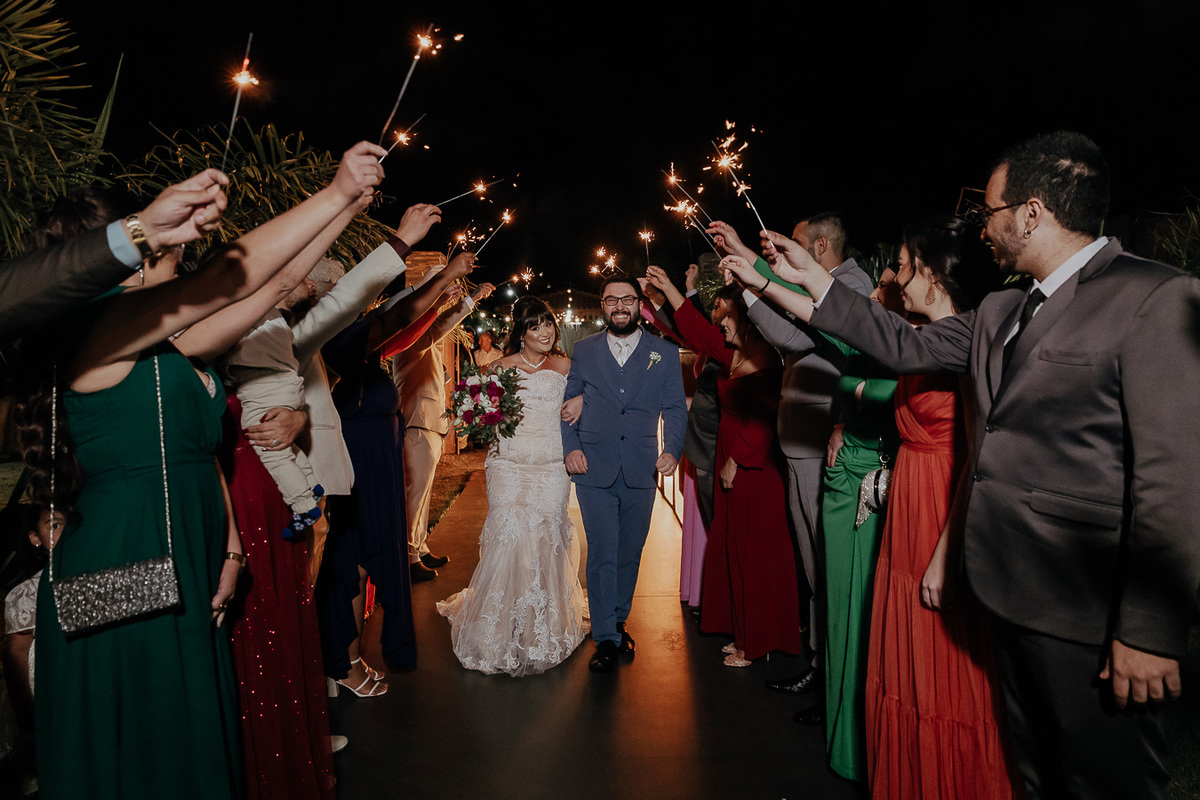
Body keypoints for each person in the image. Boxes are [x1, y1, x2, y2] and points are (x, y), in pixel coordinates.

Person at [757, 130, 1200, 798]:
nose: (980, 230)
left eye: (989, 213)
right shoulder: (1001, 310)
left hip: (1088, 613)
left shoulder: (1156, 297)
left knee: (1107, 783)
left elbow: (1176, 477)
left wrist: (1149, 630)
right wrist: (804, 276)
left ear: (1031, 213)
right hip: (1005, 596)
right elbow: (894, 343)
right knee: (1037, 775)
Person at [14, 141, 385, 799]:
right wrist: (331, 194)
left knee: (186, 747)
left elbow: (265, 287)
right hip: (123, 573)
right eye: (158, 241)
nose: (178, 247)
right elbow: (223, 281)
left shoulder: (167, 343)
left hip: (183, 561)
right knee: (144, 758)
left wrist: (347, 205)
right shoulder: (96, 336)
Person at [708, 215, 872, 701]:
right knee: (813, 564)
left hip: (824, 446)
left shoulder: (851, 285)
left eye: (795, 246)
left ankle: (835, 678)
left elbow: (795, 337)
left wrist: (755, 288)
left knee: (827, 566)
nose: (785, 257)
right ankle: (822, 667)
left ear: (821, 245)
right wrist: (745, 256)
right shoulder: (829, 283)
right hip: (802, 445)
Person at [317, 252, 477, 688]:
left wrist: (449, 297)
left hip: (380, 453)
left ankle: (357, 653)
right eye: (336, 283)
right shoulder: (334, 338)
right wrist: (441, 278)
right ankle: (342, 660)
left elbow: (407, 329)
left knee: (374, 554)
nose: (348, 291)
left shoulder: (357, 339)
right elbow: (393, 320)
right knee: (353, 559)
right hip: (359, 456)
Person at [647, 268, 799, 666]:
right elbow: (697, 332)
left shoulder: (767, 361)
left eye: (729, 317)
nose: (721, 321)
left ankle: (758, 642)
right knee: (730, 546)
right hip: (727, 456)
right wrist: (670, 289)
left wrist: (736, 460)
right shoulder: (733, 353)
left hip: (753, 465)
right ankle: (742, 630)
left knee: (755, 553)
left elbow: (766, 421)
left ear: (748, 323)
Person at [437, 297, 588, 675]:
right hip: (508, 464)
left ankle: (544, 626)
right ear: (521, 332)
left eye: (549, 324)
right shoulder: (499, 368)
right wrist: (482, 419)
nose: (545, 332)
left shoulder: (566, 366)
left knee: (546, 536)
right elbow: (474, 409)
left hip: (551, 465)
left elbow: (594, 397)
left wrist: (582, 399)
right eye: (535, 326)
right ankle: (499, 627)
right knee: (508, 536)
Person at [560, 274, 687, 674]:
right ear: (602, 304)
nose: (619, 306)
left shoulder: (663, 353)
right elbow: (568, 404)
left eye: (627, 299)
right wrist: (572, 447)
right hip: (593, 467)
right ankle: (605, 637)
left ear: (639, 304)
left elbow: (676, 409)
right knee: (602, 553)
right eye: (612, 299)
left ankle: (617, 619)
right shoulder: (583, 349)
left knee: (630, 552)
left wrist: (672, 451)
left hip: (640, 467)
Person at [0, 170, 228, 341]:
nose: (178, 259)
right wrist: (146, 231)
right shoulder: (102, 334)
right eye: (174, 261)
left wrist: (146, 230)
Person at [394, 280, 497, 583]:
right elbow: (440, 326)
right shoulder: (410, 336)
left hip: (431, 423)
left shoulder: (424, 340)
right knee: (414, 494)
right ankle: (409, 556)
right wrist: (471, 297)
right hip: (417, 421)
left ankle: (420, 546)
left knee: (424, 493)